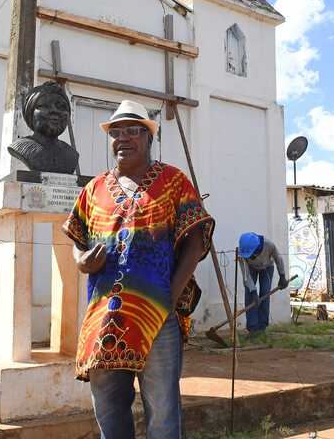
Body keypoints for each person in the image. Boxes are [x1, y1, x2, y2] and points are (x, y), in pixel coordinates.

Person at [63, 100, 215, 439]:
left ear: (148, 138)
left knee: (162, 408)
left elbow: (194, 241)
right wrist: (80, 259)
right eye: (117, 133)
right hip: (104, 318)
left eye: (133, 131)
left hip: (158, 317)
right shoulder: (94, 189)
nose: (124, 138)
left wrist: (168, 297)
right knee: (108, 406)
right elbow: (77, 237)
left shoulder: (174, 182)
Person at [238, 232, 287, 334]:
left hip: (267, 267)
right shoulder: (242, 253)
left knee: (265, 293)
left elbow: (279, 259)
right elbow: (246, 276)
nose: (248, 257)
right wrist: (253, 291)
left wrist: (282, 276)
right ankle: (252, 328)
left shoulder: (269, 245)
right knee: (250, 295)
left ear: (256, 249)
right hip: (251, 269)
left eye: (250, 255)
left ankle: (262, 327)